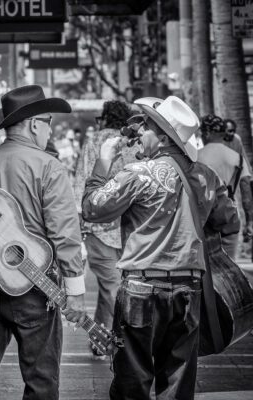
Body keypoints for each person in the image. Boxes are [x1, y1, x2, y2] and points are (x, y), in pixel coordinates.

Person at [82, 96, 240, 400]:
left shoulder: (138, 174)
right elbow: (230, 222)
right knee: (178, 386)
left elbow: (92, 208)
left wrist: (102, 165)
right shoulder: (207, 176)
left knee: (132, 384)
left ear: (165, 138)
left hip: (142, 290)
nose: (139, 131)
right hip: (188, 290)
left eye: (147, 126)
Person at [0, 85, 86, 400]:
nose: (50, 130)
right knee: (41, 383)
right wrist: (76, 292)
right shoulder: (48, 166)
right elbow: (65, 233)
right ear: (35, 124)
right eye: (49, 121)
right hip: (35, 286)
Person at [73, 100, 140, 360]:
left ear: (104, 119)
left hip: (98, 226)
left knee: (110, 288)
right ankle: (110, 341)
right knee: (115, 287)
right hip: (128, 226)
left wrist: (80, 222)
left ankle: (103, 339)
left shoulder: (94, 142)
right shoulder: (135, 142)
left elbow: (80, 182)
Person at [198, 114, 253, 259]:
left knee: (207, 269)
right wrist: (250, 222)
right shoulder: (237, 158)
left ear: (207, 133)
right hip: (229, 218)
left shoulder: (196, 158)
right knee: (229, 268)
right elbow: (246, 190)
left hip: (204, 220)